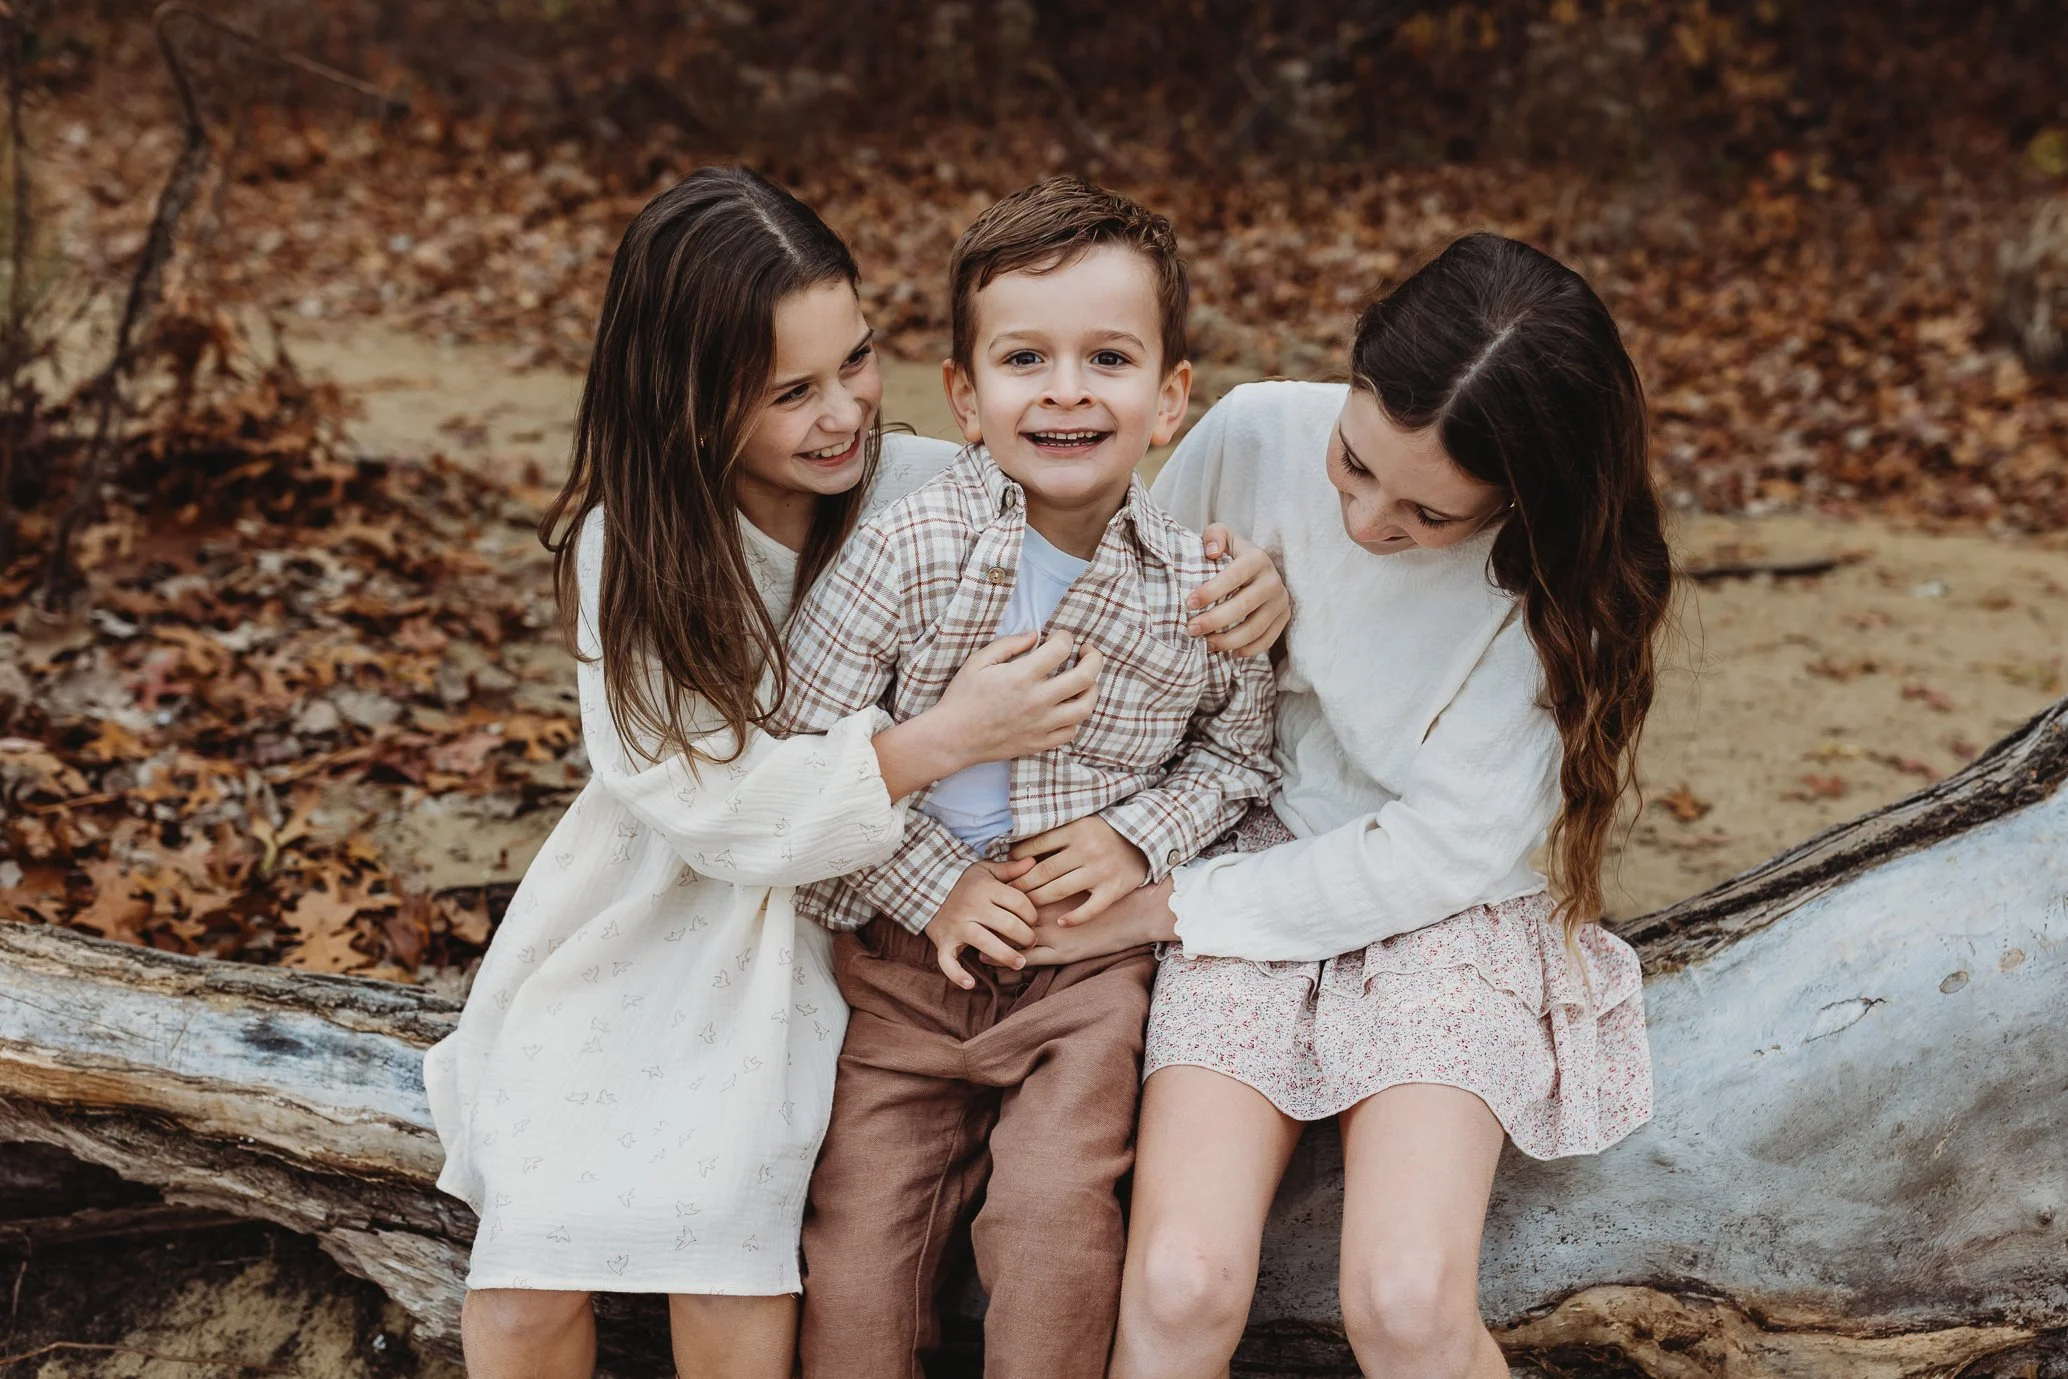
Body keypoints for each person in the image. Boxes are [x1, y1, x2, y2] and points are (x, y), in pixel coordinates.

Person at [421, 166, 1292, 1379]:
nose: (842, 415)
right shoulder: (632, 550)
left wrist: (1250, 571)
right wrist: (945, 739)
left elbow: (1094, 469)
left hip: (842, 918)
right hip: (662, 903)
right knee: (523, 1278)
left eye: (857, 361)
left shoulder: (920, 480)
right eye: (791, 391)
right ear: (685, 403)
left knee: (734, 1254)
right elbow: (705, 809)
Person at [1018, 232, 1671, 1379]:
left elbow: (1434, 852)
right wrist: (1219, 623)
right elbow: (1109, 648)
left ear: (1527, 494)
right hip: (1243, 836)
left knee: (1405, 1302)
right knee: (1178, 1287)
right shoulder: (1258, 431)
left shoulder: (1567, 593)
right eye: (1354, 463)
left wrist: (1160, 909)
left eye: (1427, 515)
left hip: (1448, 903)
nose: (1370, 522)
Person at [770, 178, 1280, 1379]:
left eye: (1107, 357)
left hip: (1087, 972)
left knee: (1053, 1220)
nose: (1064, 390)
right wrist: (935, 881)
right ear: (964, 393)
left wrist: (1137, 838)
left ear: (1168, 400)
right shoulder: (908, 549)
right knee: (859, 1245)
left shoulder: (1198, 586)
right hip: (905, 967)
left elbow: (1240, 754)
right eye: (1022, 357)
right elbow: (805, 745)